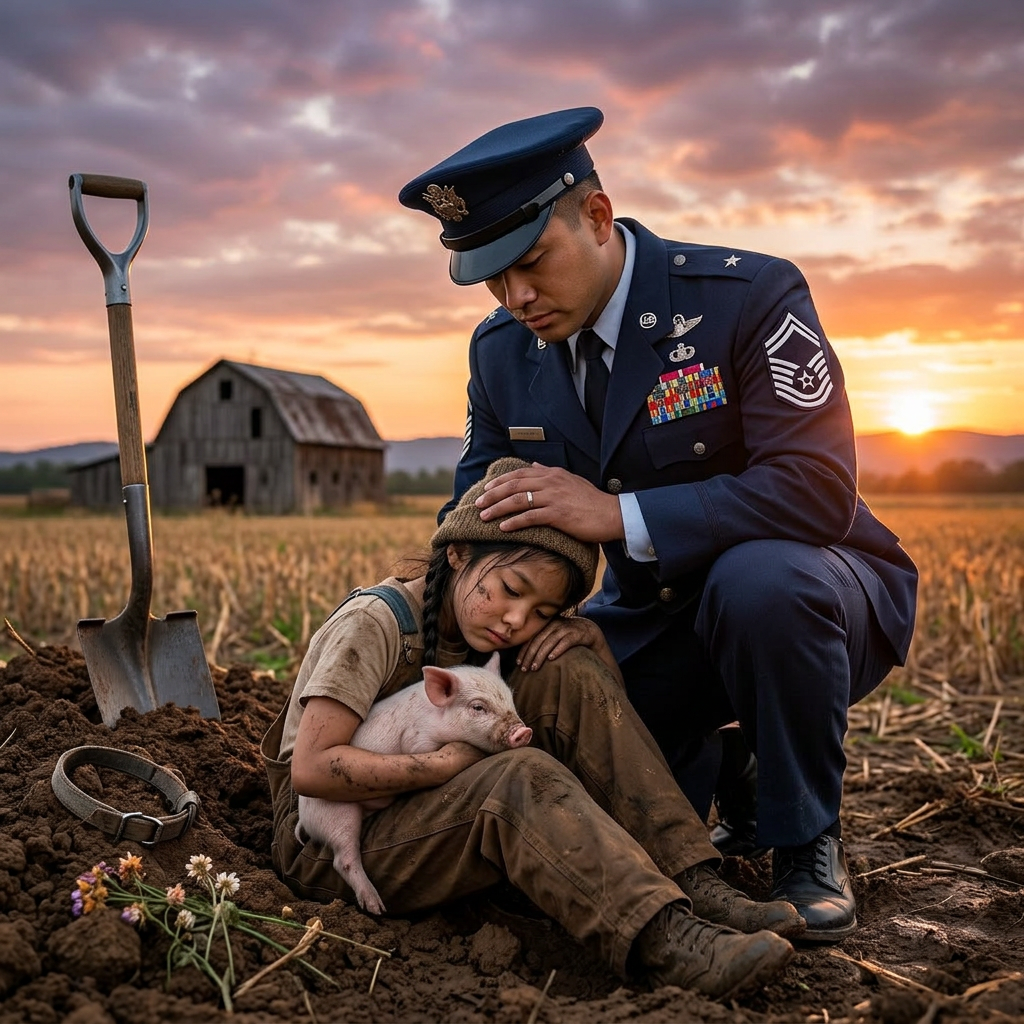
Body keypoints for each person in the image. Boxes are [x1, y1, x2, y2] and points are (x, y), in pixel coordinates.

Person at [398, 107, 919, 942]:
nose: (516, 297)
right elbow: (473, 519)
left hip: (816, 594)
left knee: (759, 587)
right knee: (549, 698)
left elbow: (817, 487)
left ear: (598, 218)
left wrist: (616, 514)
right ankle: (728, 769)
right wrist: (437, 622)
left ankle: (804, 840)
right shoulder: (501, 351)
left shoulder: (746, 297)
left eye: (532, 262)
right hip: (648, 615)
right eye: (493, 280)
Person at [261, 457, 803, 999]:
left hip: (413, 816)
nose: (518, 620)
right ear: (457, 553)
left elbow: (595, 720)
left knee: (567, 667)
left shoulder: (492, 636)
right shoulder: (376, 624)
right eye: (510, 589)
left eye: (543, 610)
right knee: (517, 775)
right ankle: (664, 940)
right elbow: (312, 770)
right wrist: (440, 767)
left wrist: (593, 650)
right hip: (330, 844)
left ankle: (689, 879)